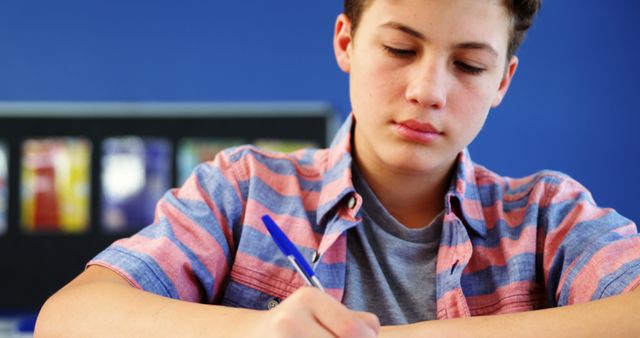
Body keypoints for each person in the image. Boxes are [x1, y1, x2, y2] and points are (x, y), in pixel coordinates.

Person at [35, 0, 640, 337]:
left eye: (470, 66)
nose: (428, 90)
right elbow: (68, 318)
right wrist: (253, 334)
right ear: (346, 42)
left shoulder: (546, 217)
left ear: (503, 80)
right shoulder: (244, 190)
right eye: (401, 49)